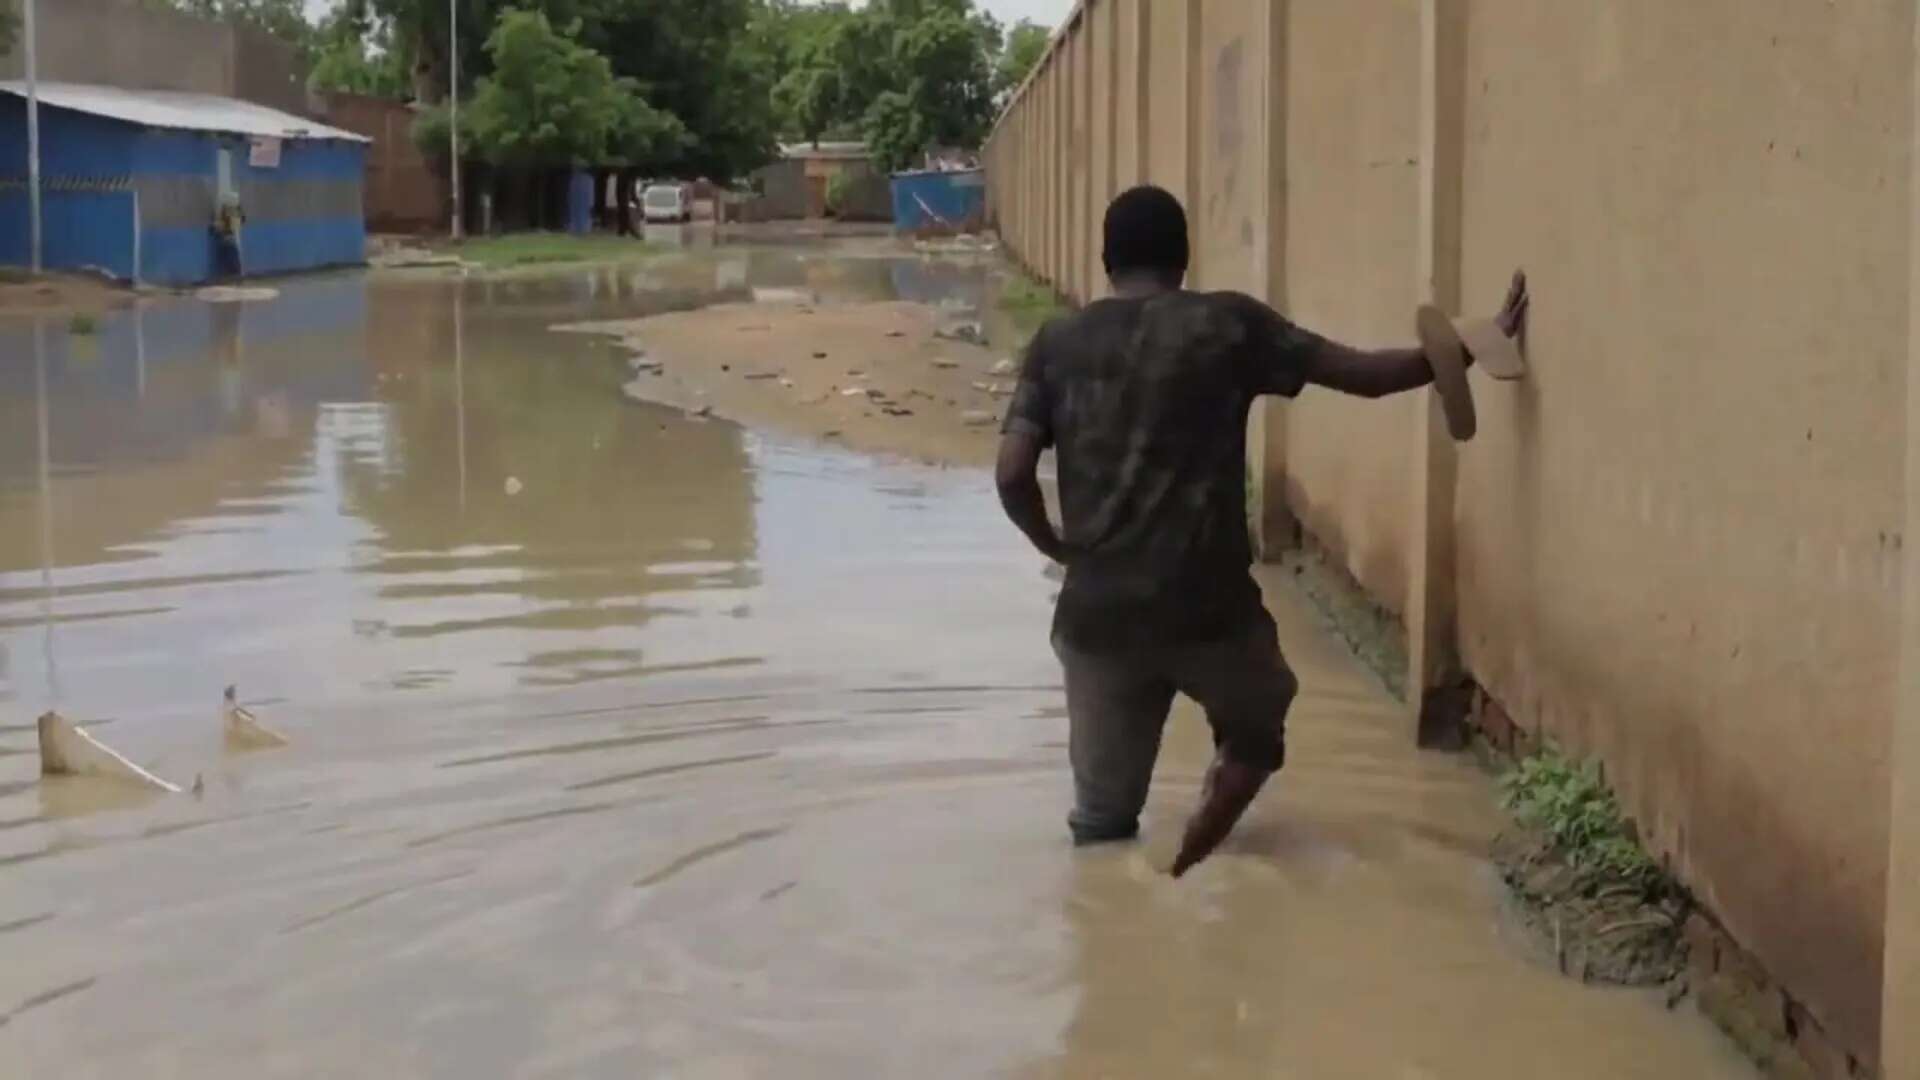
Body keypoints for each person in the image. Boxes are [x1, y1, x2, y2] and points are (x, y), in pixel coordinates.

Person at [996, 185, 1527, 877]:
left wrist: (1058, 547)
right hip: (1209, 610)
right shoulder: (1227, 325)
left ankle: (1112, 928)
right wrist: (1463, 345)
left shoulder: (1057, 342)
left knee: (1101, 822)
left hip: (1097, 616)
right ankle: (1186, 864)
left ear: (1106, 259)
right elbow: (1365, 375)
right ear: (1184, 257)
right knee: (1257, 725)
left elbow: (1011, 474)